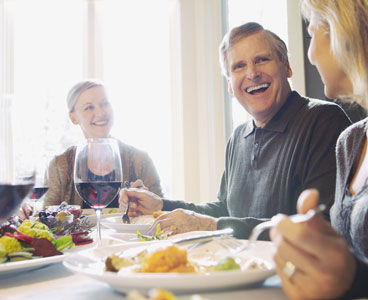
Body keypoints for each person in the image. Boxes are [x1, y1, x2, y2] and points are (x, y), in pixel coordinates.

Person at [119, 22, 351, 239]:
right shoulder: (238, 137)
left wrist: (213, 227)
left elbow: (321, 226)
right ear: (230, 84)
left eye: (262, 59)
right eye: (239, 66)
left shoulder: (323, 121)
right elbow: (224, 209)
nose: (252, 73)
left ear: (287, 67)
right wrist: (161, 206)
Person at [270, 0, 368, 299]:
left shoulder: (321, 121)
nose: (310, 54)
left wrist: (347, 278)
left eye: (312, 32)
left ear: (341, 28)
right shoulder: (350, 143)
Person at [41, 80, 163, 209]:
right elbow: (47, 219)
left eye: (105, 104)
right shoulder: (59, 165)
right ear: (73, 118)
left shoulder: (140, 160)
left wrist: (144, 203)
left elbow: (162, 213)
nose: (100, 113)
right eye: (89, 107)